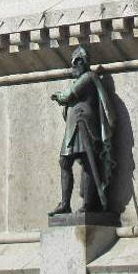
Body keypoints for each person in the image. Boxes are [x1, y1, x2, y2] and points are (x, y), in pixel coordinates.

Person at [49, 47, 116, 214]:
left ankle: (88, 204)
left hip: (84, 125)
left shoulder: (88, 77)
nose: (72, 69)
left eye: (74, 64)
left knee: (88, 161)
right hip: (73, 127)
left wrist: (58, 96)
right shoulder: (81, 79)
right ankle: (65, 204)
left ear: (80, 62)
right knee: (65, 161)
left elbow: (68, 95)